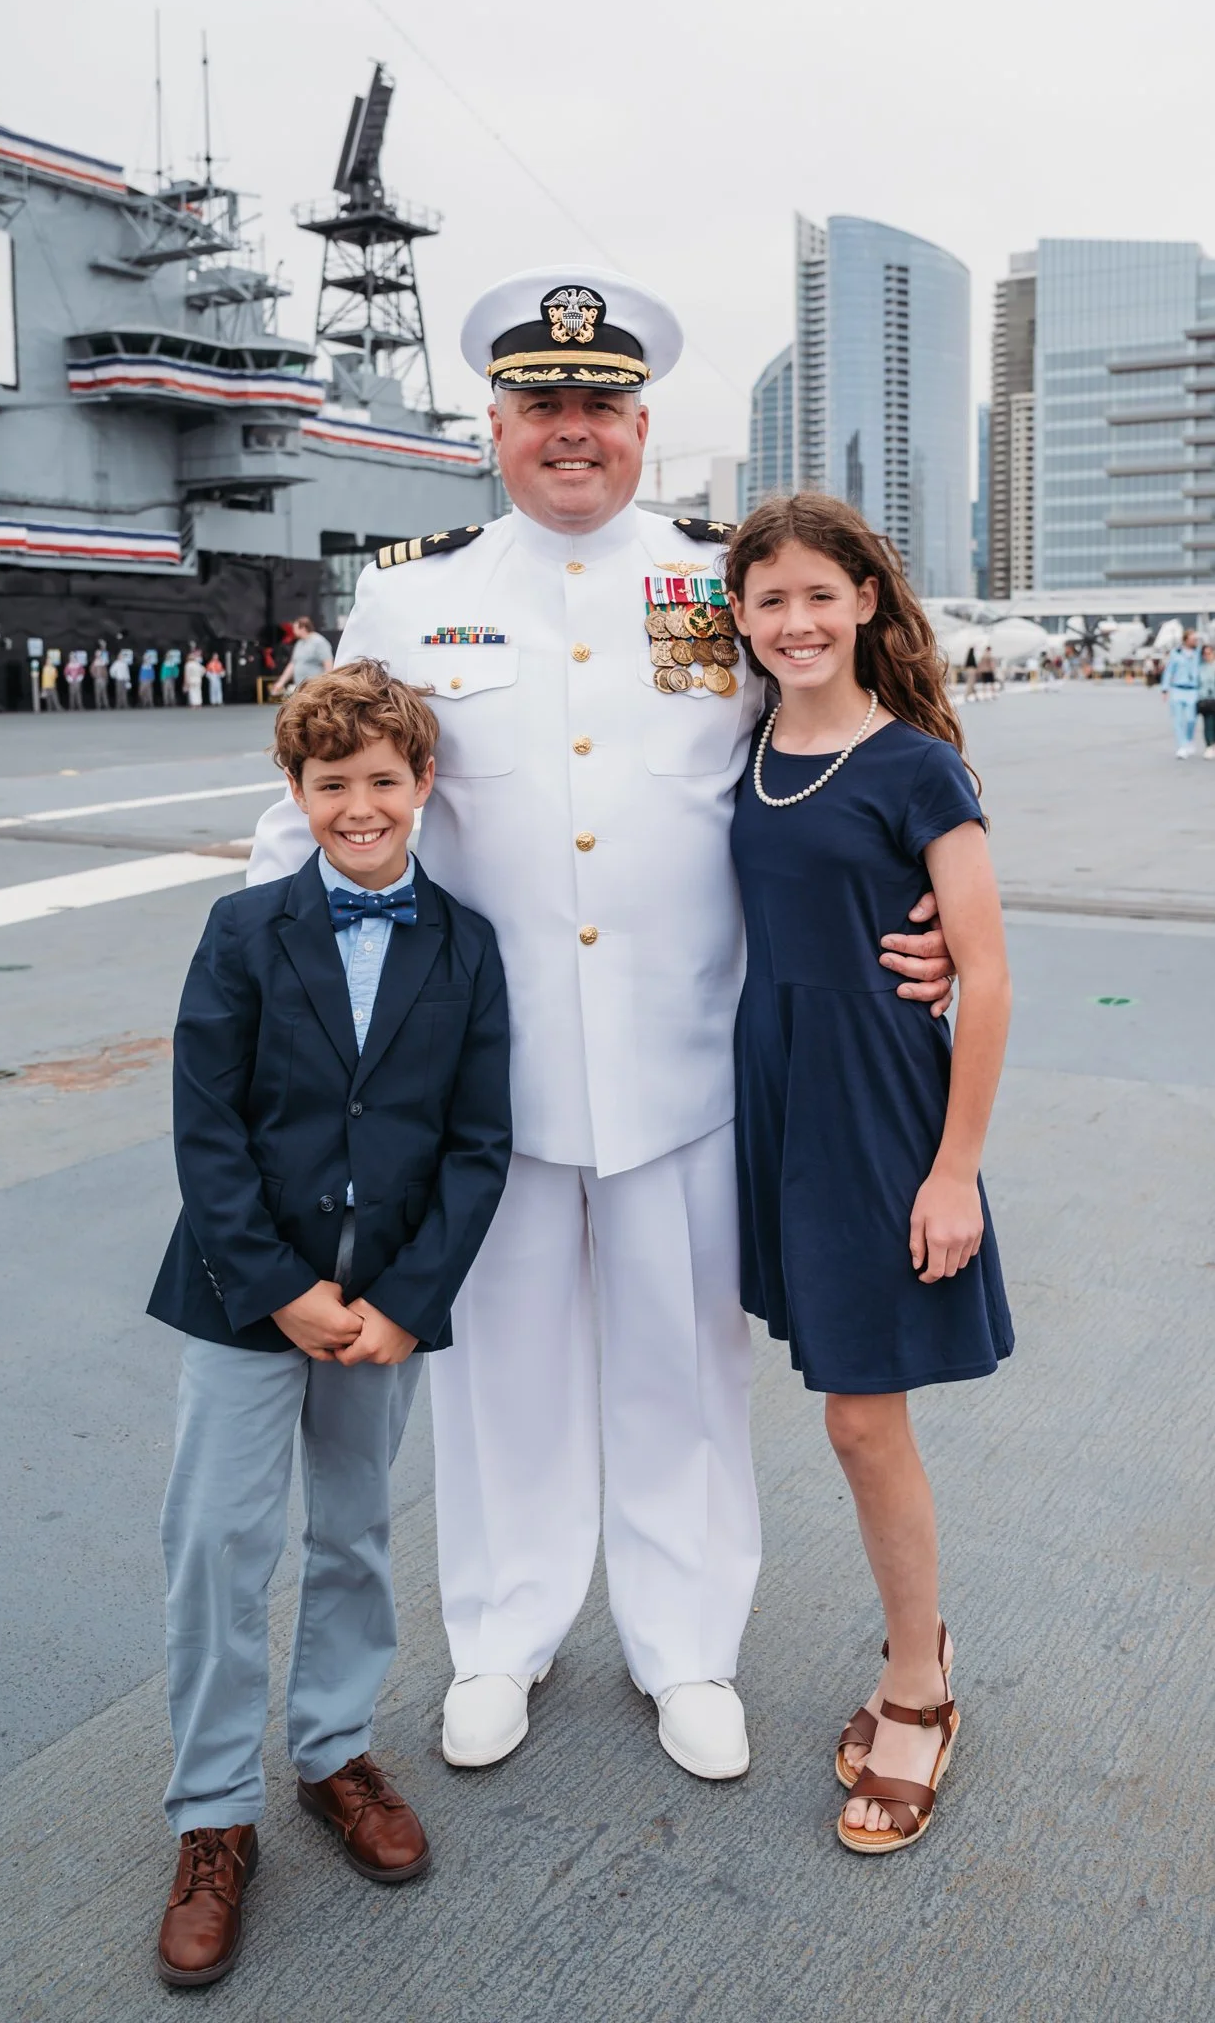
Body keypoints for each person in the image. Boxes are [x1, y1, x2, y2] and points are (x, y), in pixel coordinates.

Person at [245, 267, 956, 1782]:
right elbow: (325, 794)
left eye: (601, 408)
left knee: (681, 1367)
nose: (573, 431)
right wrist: (260, 978)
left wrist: (938, 921)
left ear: (640, 425)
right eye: (542, 407)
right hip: (480, 1083)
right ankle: (502, 1636)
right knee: (498, 1372)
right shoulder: (413, 595)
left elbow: (854, 749)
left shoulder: (721, 580)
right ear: (493, 426)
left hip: (687, 1067)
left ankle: (687, 1644)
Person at [147, 660, 511, 1988]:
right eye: (331, 784)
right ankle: (211, 1817)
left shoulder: (467, 947)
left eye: (382, 781)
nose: (359, 806)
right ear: (294, 795)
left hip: (383, 1309)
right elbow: (207, 1131)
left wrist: (406, 1303)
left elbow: (480, 1146)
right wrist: (279, 1286)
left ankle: (332, 1749)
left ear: (422, 787)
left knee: (353, 1533)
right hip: (247, 1294)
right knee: (216, 1546)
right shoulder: (243, 932)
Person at [727, 493, 1012, 1855]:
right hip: (774, 1095)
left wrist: (955, 1170)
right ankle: (920, 1652)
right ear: (739, 616)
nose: (795, 621)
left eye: (817, 596)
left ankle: (919, 1684)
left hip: (876, 1103)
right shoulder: (746, 747)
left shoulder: (918, 769)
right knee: (840, 1402)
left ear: (867, 606)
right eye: (767, 599)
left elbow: (991, 975)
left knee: (858, 1418)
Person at [1160, 630, 1203, 756]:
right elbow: (1169, 672)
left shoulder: (1198, 653)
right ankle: (1182, 745)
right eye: (1193, 639)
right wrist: (1165, 688)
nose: (1195, 641)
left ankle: (1189, 740)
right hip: (1178, 689)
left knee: (1191, 719)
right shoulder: (1176, 654)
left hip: (1193, 690)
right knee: (1178, 720)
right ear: (1186, 640)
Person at [269, 616, 334, 697]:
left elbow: (328, 665)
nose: (293, 630)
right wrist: (281, 682)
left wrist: (326, 686)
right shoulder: (299, 643)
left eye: (295, 628)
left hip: (316, 690)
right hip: (301, 690)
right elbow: (292, 664)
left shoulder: (319, 642)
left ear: (303, 628)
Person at [1197, 641, 1215, 757]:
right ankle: (1209, 745)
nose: (1207, 655)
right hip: (1206, 699)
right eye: (1205, 653)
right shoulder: (1200, 668)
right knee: (1208, 723)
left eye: (1209, 653)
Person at [92, 642, 111, 710]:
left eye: (99, 654)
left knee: (104, 692)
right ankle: (98, 706)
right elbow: (92, 670)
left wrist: (103, 646)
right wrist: (95, 676)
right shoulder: (94, 662)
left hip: (103, 679)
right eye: (97, 654)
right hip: (97, 679)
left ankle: (106, 705)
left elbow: (105, 654)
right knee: (97, 693)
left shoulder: (103, 661)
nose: (98, 655)